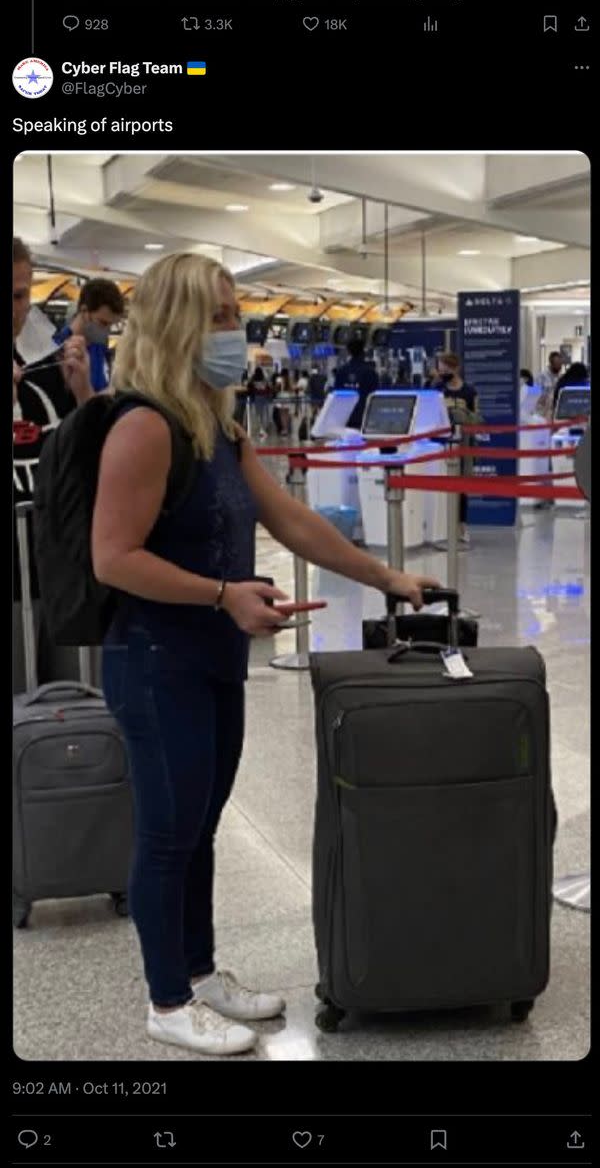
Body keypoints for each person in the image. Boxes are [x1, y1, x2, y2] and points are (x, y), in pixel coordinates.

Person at [91, 252, 440, 1057]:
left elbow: (288, 519)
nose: (231, 330)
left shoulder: (216, 425)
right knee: (168, 832)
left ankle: (203, 971)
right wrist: (223, 595)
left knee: (203, 823)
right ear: (177, 324)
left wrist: (384, 576)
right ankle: (167, 1000)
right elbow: (114, 557)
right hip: (155, 659)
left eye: (232, 312)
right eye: (216, 315)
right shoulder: (144, 424)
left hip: (211, 654)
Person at [13, 237, 93, 688]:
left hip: (58, 574)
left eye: (21, 294)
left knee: (65, 711)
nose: (15, 308)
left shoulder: (47, 368)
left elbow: (88, 461)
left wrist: (82, 395)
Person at [435, 352, 482, 545]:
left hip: (463, 443)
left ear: (456, 368)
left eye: (446, 368)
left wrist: (462, 415)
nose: (443, 371)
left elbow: (477, 419)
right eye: (440, 368)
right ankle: (442, 526)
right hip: (441, 443)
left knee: (461, 486)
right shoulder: (436, 389)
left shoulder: (469, 392)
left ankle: (461, 525)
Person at [54, 278, 124, 393]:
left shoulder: (99, 347)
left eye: (111, 325)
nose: (106, 331)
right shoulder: (58, 350)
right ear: (84, 311)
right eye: (103, 323)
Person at [333, 337, 379, 429]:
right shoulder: (370, 372)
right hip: (364, 416)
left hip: (345, 416)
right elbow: (375, 395)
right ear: (363, 352)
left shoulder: (341, 371)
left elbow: (336, 394)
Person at [535, 351, 564, 421]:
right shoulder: (541, 376)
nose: (560, 367)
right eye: (557, 364)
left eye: (561, 364)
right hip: (541, 414)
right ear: (551, 364)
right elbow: (534, 396)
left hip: (555, 414)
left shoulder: (560, 377)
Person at [247, 364, 270, 439]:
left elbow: (249, 386)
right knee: (264, 413)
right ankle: (263, 427)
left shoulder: (253, 379)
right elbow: (268, 387)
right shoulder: (264, 379)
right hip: (264, 397)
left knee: (258, 413)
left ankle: (260, 427)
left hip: (257, 397)